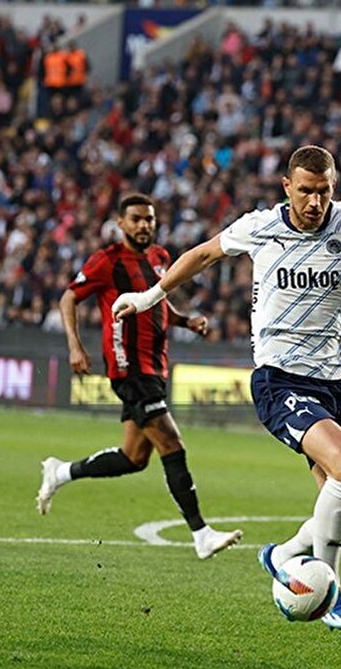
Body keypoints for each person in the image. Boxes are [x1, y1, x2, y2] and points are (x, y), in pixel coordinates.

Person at [112, 145, 341, 631]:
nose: (315, 201)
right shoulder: (259, 226)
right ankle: (333, 594)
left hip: (337, 385)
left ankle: (281, 554)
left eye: (324, 191)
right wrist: (148, 296)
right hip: (280, 378)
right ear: (287, 187)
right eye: (305, 190)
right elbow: (201, 255)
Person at [35, 193, 243, 560]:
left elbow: (155, 299)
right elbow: (69, 298)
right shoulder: (107, 261)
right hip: (128, 367)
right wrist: (74, 346)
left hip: (155, 365)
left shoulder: (161, 257)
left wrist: (185, 321)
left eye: (149, 219)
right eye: (136, 219)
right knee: (172, 444)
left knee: (134, 457)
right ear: (121, 223)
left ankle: (60, 472)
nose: (144, 225)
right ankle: (201, 533)